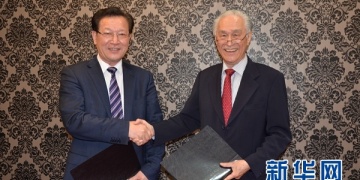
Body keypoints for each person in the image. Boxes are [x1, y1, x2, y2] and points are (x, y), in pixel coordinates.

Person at [134, 10, 292, 179]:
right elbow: (188, 119)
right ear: (216, 39)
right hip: (209, 174)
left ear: (248, 37)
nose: (229, 41)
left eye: (236, 35)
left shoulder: (271, 79)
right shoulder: (205, 77)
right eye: (223, 35)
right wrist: (152, 130)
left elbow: (280, 135)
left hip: (251, 175)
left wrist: (248, 163)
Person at [59, 7, 164, 180]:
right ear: (94, 37)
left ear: (129, 38)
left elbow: (156, 129)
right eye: (108, 33)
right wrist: (127, 129)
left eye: (122, 34)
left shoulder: (143, 78)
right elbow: (75, 121)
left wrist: (148, 172)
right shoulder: (74, 74)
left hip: (135, 173)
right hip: (88, 171)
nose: (115, 41)